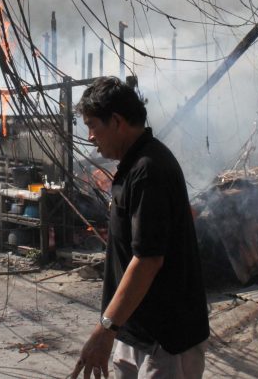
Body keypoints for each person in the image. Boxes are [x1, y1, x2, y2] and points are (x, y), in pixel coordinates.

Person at [70, 77, 209, 379]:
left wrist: (105, 329)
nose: (90, 137)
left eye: (93, 125)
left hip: (166, 340)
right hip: (135, 332)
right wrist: (115, 328)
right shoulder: (134, 166)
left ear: (117, 121)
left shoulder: (149, 170)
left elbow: (147, 260)